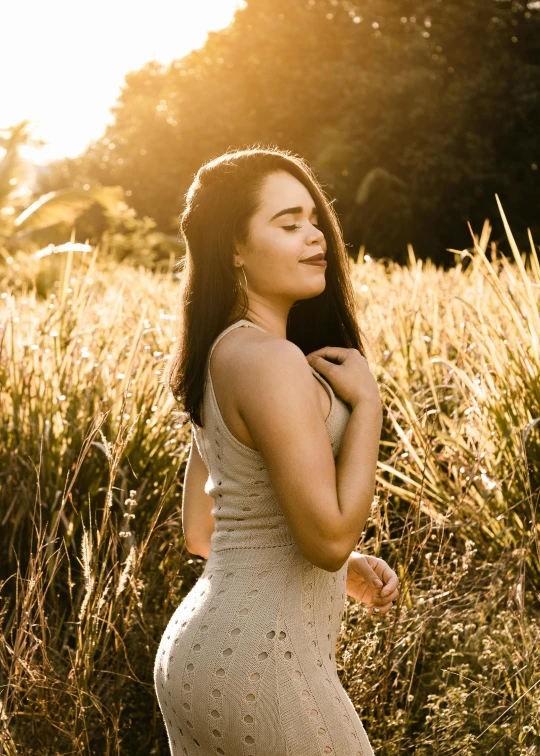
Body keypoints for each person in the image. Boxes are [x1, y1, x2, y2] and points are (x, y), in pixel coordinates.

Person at [155, 146, 399, 755]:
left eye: (314, 220)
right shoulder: (270, 360)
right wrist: (368, 406)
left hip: (197, 651)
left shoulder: (221, 354)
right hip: (262, 662)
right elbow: (326, 540)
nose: (314, 236)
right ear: (234, 249)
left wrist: (342, 572)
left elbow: (202, 531)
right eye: (287, 224)